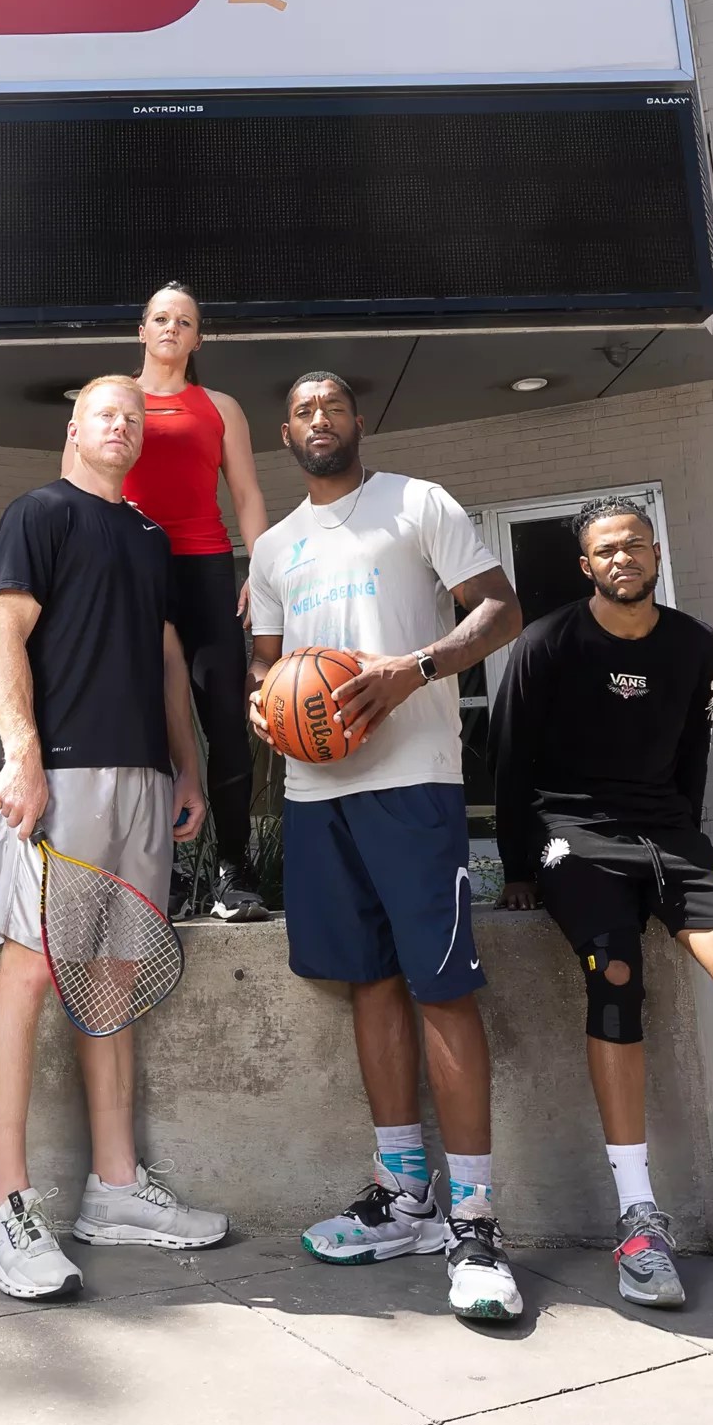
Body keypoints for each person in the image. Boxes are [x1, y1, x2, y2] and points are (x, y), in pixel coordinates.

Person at [492, 499, 713, 1309]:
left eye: (634, 545)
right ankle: (639, 1219)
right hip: (575, 832)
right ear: (585, 566)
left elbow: (695, 748)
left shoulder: (694, 642)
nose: (621, 558)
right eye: (605, 550)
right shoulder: (547, 642)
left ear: (655, 553)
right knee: (616, 972)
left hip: (670, 836)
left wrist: (687, 839)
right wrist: (519, 866)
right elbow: (508, 757)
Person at [247, 372, 526, 1323]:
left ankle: (475, 1220)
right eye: (303, 410)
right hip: (315, 790)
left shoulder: (418, 503)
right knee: (368, 981)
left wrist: (416, 668)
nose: (319, 419)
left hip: (414, 781)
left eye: (333, 406)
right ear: (286, 434)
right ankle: (407, 1197)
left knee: (441, 987)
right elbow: (265, 662)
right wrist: (261, 704)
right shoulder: (274, 547)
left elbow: (501, 609)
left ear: (358, 422)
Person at [0, 375, 226, 1298]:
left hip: (144, 781)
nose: (121, 425)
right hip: (62, 776)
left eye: (134, 416)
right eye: (104, 413)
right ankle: (5, 1209)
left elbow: (166, 658)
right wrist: (22, 754)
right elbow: (4, 633)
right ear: (75, 428)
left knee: (113, 976)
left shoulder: (151, 537)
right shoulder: (39, 513)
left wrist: (187, 768)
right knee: (32, 970)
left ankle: (115, 1189)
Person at [63, 282, 271, 920]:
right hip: (131, 565)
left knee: (224, 719)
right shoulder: (111, 402)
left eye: (184, 321)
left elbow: (247, 494)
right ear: (142, 330)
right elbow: (72, 492)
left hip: (205, 567)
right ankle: (166, 873)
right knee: (144, 717)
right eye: (160, 318)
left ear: (197, 338)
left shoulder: (220, 407)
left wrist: (263, 572)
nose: (172, 328)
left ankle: (233, 872)